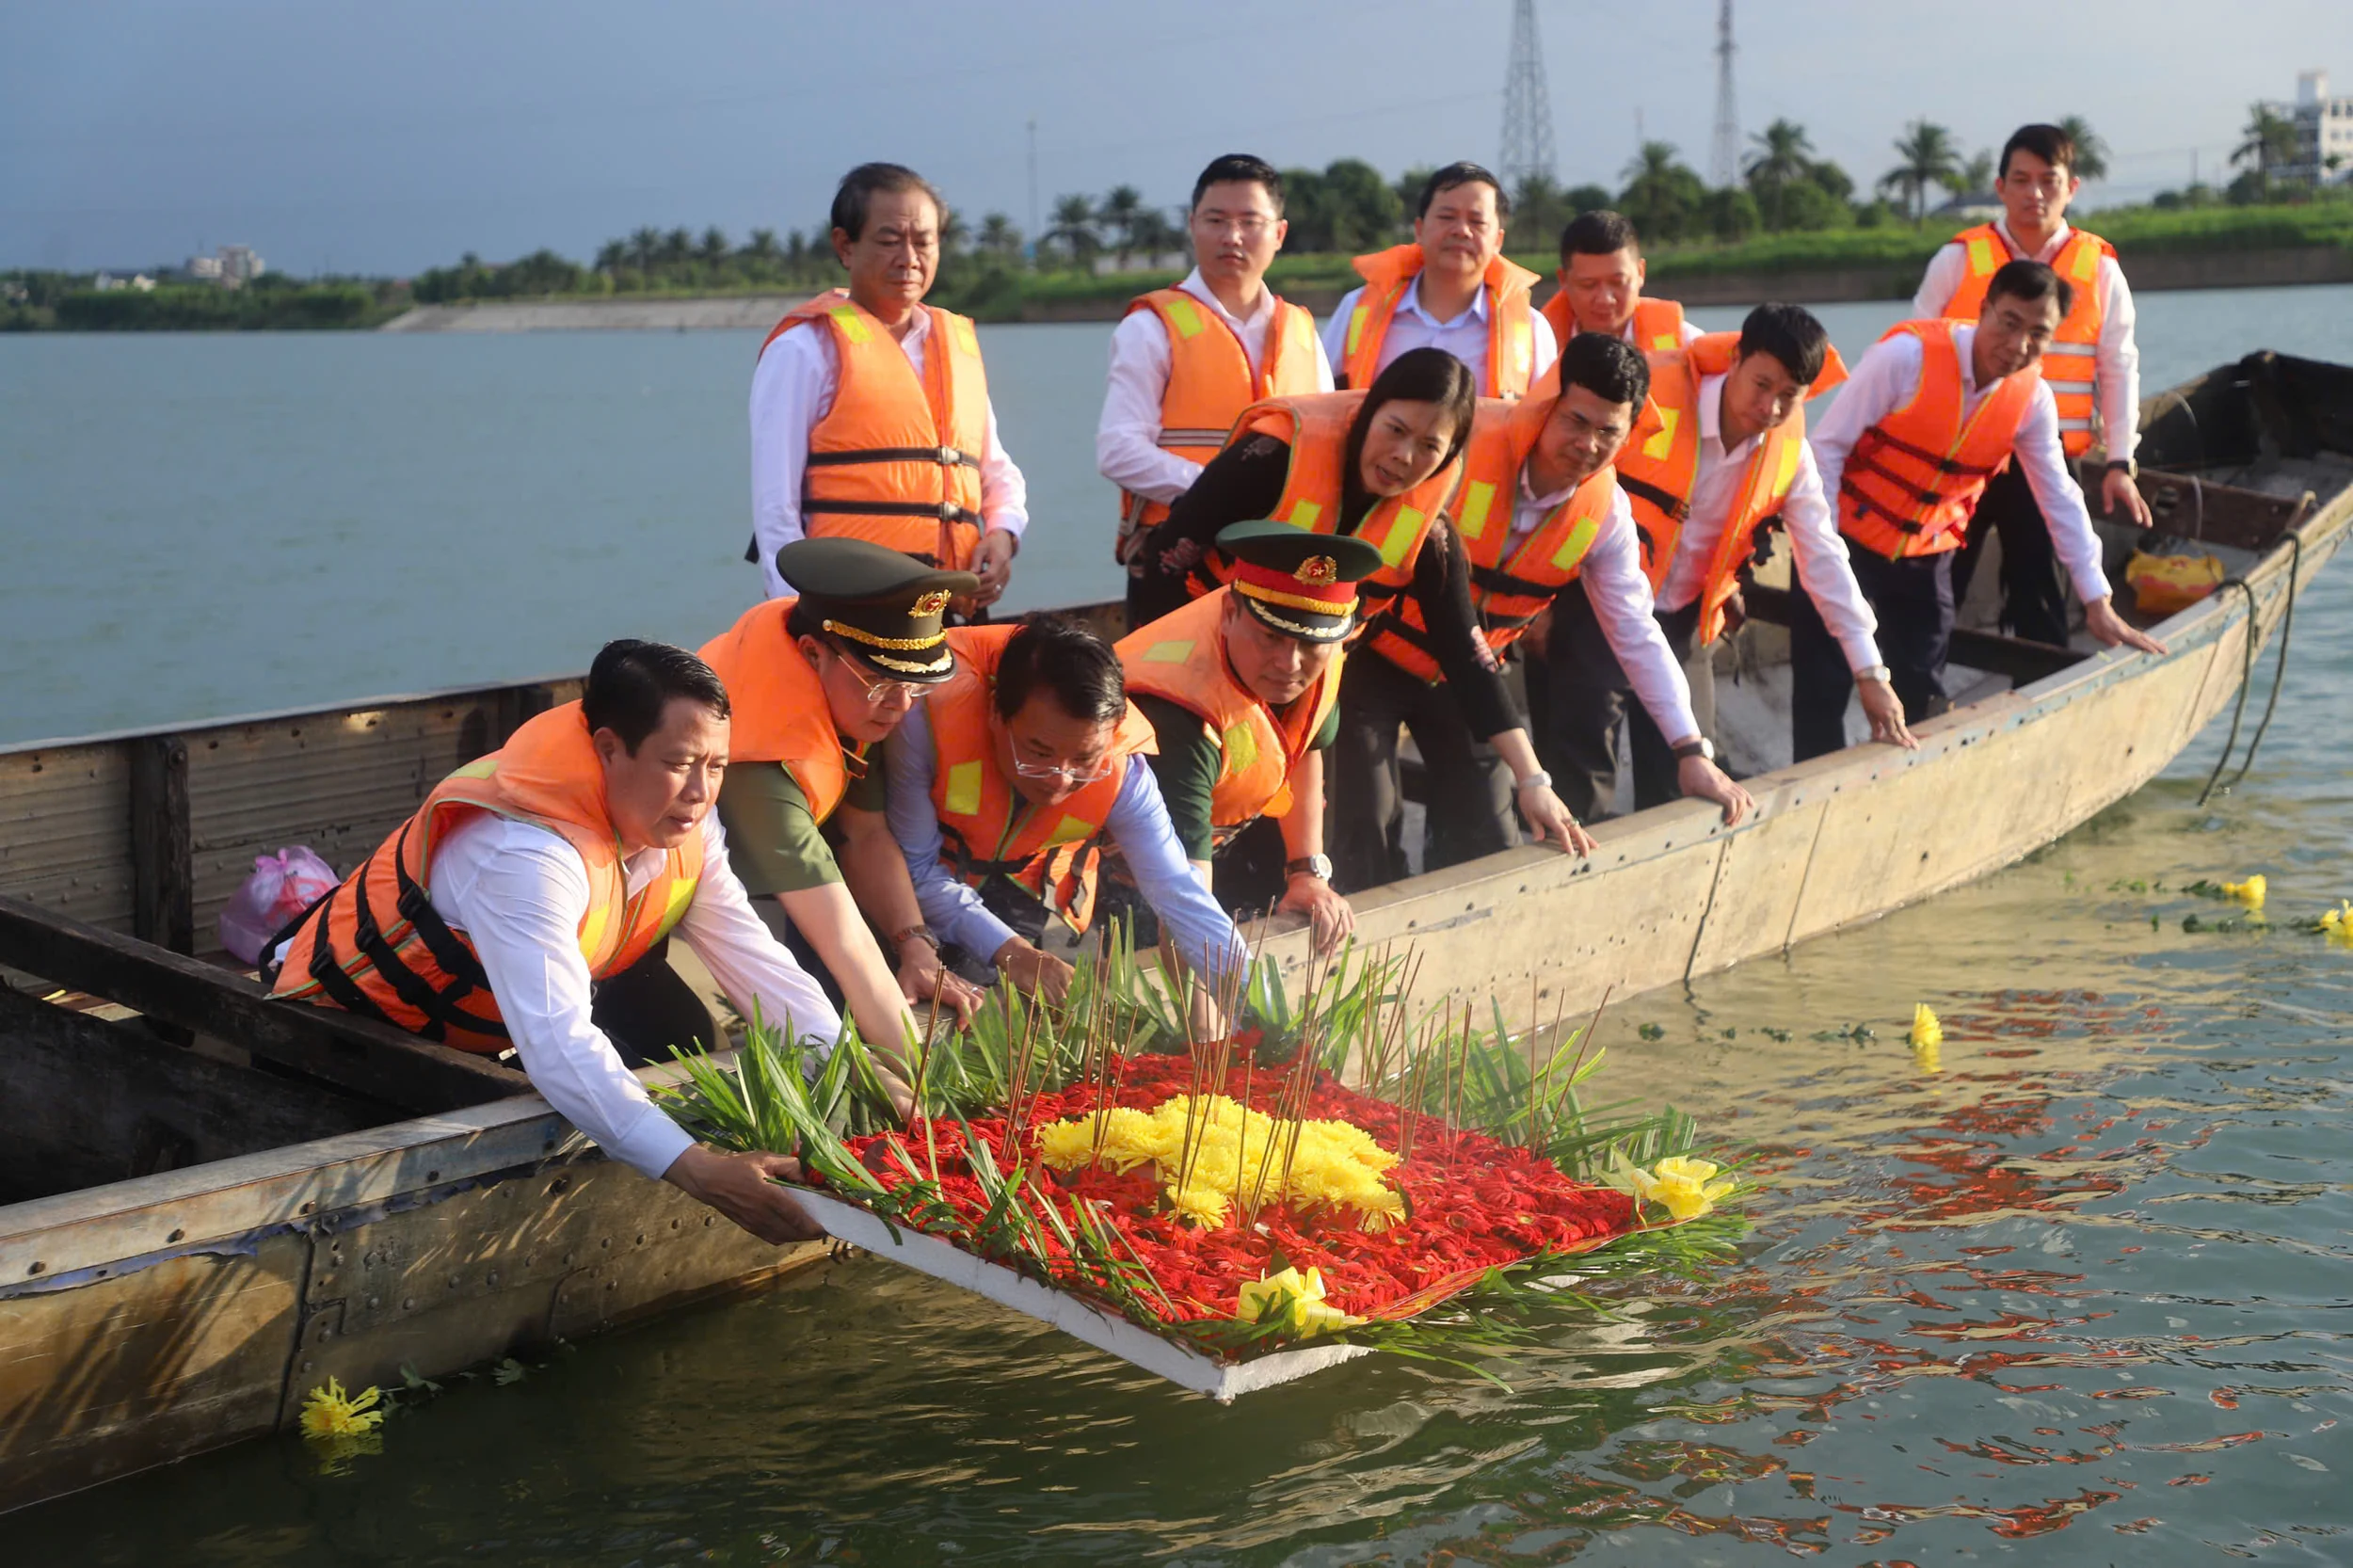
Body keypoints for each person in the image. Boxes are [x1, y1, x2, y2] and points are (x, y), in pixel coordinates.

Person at [269, 641, 850, 1245]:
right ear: (606, 748)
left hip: (496, 1013)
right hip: (358, 1028)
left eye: (718, 765)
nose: (702, 792)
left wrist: (853, 1071)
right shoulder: (523, 855)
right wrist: (700, 1172)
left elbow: (759, 963)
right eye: (679, 763)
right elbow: (558, 1043)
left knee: (686, 1041)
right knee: (600, 1081)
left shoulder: (689, 818)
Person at [1136, 346, 1587, 889]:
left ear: (1447, 459)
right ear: (1369, 411)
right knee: (1183, 835)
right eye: (1395, 429)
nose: (1403, 456)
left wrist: (1531, 777)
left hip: (1293, 682)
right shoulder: (1272, 459)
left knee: (1268, 848)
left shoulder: (1428, 533)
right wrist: (1163, 691)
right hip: (1200, 665)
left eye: (1429, 446)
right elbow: (1160, 564)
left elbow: (1469, 656)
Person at [1351, 334, 1751, 842]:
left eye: (1608, 431)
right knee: (1365, 823)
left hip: (1471, 682)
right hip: (1369, 660)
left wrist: (1690, 749)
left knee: (1490, 839)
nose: (1587, 445)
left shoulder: (1606, 516)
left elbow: (1634, 631)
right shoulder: (1459, 451)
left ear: (1628, 436)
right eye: (1575, 421)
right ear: (1545, 406)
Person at [1800, 260, 2168, 761]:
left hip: (1927, 558)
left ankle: (1908, 796)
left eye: (2039, 333)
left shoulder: (2033, 398)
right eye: (2009, 322)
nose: (2018, 345)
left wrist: (2096, 598)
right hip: (1845, 542)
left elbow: (2058, 494)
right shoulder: (1906, 358)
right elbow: (1824, 451)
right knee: (1822, 689)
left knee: (1922, 695)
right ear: (1983, 310)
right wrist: (1820, 549)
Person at [1555, 306, 1914, 810]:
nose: (1769, 407)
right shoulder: (1647, 401)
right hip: (1597, 609)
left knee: (1687, 781)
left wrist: (1871, 673)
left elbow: (1824, 557)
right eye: (1761, 384)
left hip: (1683, 622)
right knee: (1583, 782)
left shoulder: (1790, 455)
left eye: (1789, 396)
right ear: (1735, 360)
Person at [885, 614, 1254, 1006]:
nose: (1060, 780)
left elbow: (1179, 890)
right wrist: (1015, 954)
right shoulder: (922, 718)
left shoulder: (1124, 772)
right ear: (995, 712)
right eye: (1038, 753)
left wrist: (1261, 1011)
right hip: (900, 898)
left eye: (1084, 759)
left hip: (1016, 886)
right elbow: (915, 870)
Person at [698, 537, 985, 1032]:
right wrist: (922, 1095)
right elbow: (839, 936)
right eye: (882, 684)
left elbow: (866, 832)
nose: (900, 706)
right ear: (813, 653)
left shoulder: (853, 699)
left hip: (789, 879)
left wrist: (916, 946)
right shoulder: (754, 746)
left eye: (915, 687)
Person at [1913, 122, 2153, 645]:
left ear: (2072, 188)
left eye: (2049, 180)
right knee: (1933, 584)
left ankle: (2040, 691)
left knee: (2040, 592)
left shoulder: (2100, 269)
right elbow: (1913, 353)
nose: (2035, 193)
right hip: (1960, 456)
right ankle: (1921, 698)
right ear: (1999, 188)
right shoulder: (1958, 260)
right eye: (2020, 180)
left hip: (2046, 459)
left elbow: (2118, 366)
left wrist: (2119, 463)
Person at [749, 162, 1028, 609]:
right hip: (850, 610)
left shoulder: (955, 348)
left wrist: (1003, 534)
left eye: (924, 241)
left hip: (951, 610)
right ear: (845, 246)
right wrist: (799, 613)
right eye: (888, 240)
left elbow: (996, 470)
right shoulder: (804, 350)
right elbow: (775, 508)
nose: (909, 258)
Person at [1113, 520, 1381, 955]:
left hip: (1227, 820)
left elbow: (1305, 748)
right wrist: (1209, 1022)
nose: (1289, 663)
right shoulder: (1178, 711)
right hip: (1124, 854)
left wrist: (1307, 873)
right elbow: (1184, 913)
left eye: (1309, 644)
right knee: (1144, 980)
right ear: (1230, 614)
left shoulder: (1321, 658)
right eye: (1271, 637)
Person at [1098, 154, 1332, 628]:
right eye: (1216, 221)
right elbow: (1118, 450)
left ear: (1280, 234)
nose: (1233, 237)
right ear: (1191, 226)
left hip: (1279, 560)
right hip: (1178, 555)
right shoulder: (1151, 328)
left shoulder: (1303, 332)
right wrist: (1217, 496)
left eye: (1250, 222)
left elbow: (1330, 451)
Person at [1323, 162, 1558, 399]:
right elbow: (1319, 399)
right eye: (1447, 217)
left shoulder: (1531, 329)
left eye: (1477, 222)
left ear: (1498, 241)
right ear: (1419, 229)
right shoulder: (1355, 310)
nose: (1461, 231)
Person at [1541, 209, 1701, 352]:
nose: (1605, 299)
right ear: (1563, 280)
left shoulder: (1689, 346)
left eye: (1618, 282)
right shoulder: (1536, 348)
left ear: (1640, 272)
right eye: (1588, 285)